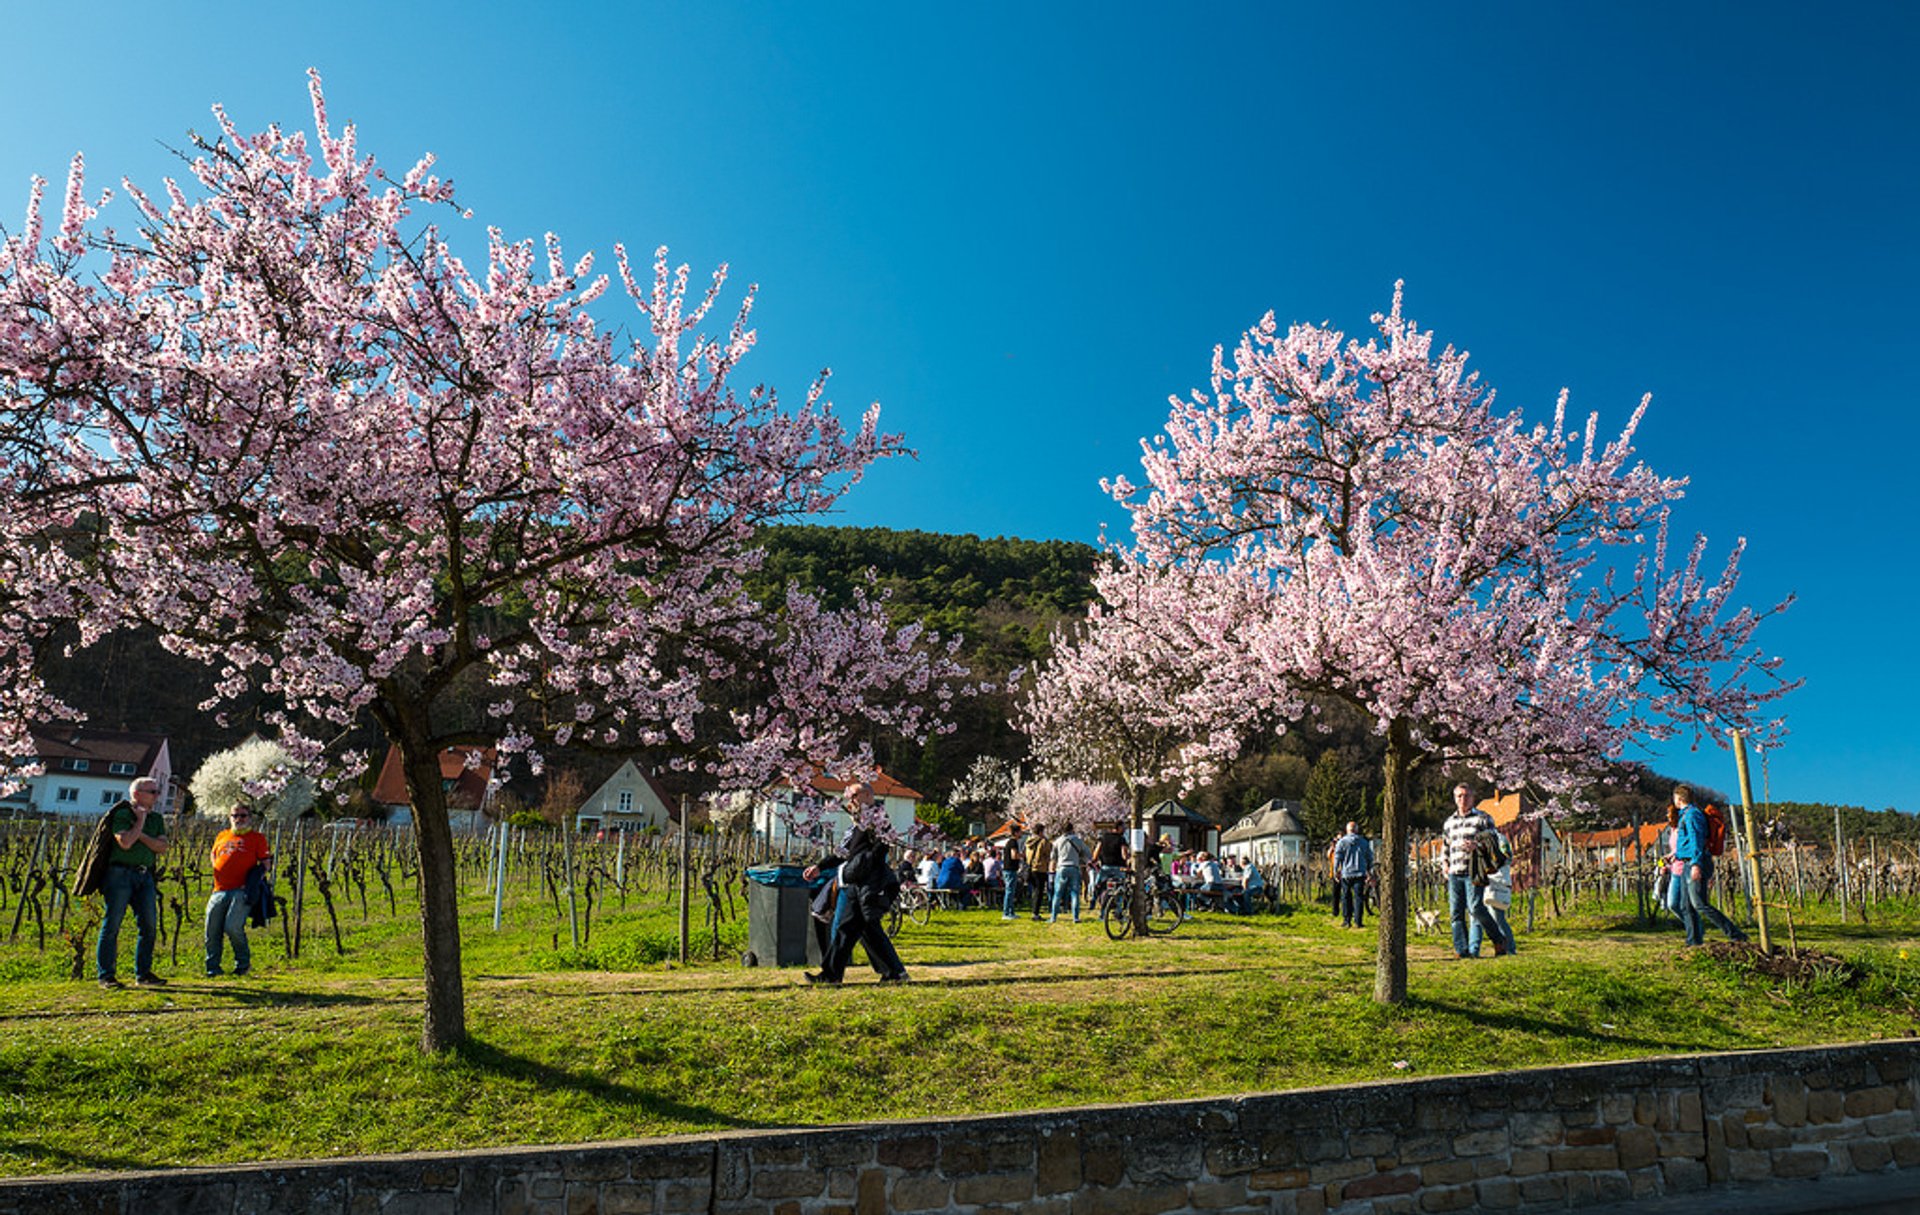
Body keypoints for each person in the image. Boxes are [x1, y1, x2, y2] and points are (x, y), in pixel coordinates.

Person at [802, 784, 908, 984]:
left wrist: (862, 865)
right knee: (848, 928)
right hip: (854, 882)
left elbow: (880, 849)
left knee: (865, 928)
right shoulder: (858, 823)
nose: (849, 800)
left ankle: (894, 972)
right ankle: (832, 974)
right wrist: (820, 867)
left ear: (866, 795)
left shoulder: (877, 818)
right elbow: (843, 853)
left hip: (867, 883)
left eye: (852, 796)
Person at [97, 776, 171, 990]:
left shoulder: (156, 818)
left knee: (149, 925)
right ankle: (106, 976)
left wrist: (141, 834)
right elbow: (126, 842)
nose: (157, 795)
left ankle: (144, 974)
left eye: (157, 791)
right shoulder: (122, 815)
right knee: (112, 924)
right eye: (152, 792)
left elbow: (162, 847)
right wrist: (139, 822)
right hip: (119, 874)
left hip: (145, 875)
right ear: (137, 794)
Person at [1671, 784, 1749, 946]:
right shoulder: (1685, 815)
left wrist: (1696, 864)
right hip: (1686, 862)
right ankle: (1693, 942)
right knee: (1685, 906)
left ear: (1679, 798)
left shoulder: (1692, 815)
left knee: (1699, 904)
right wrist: (1676, 855)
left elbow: (1697, 840)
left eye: (1675, 798)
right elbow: (1687, 842)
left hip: (1696, 862)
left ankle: (1736, 934)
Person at [205, 801, 271, 978]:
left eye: (243, 815)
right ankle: (213, 968)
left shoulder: (257, 838)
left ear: (250, 818)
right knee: (212, 930)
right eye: (235, 815)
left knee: (233, 927)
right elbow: (213, 854)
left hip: (241, 891)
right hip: (218, 890)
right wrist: (217, 868)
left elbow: (266, 863)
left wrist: (254, 881)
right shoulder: (222, 835)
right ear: (229, 817)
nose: (238, 819)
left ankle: (243, 964)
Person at [1443, 784, 1507, 958]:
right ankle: (1461, 950)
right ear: (1454, 798)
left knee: (1476, 908)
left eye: (1466, 796)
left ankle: (1498, 939)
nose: (1463, 799)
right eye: (1459, 796)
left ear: (1473, 798)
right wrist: (1445, 864)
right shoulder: (1449, 822)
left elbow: (1495, 842)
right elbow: (1446, 846)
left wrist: (1477, 845)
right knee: (1455, 913)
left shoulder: (1483, 818)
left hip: (1474, 871)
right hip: (1454, 871)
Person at [1333, 821, 1373, 929]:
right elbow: (1369, 857)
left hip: (1346, 873)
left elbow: (1337, 857)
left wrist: (1336, 870)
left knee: (1346, 897)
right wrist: (1369, 871)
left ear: (1347, 830)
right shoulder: (1364, 842)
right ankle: (1358, 921)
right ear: (1357, 830)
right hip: (1360, 872)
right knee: (1359, 897)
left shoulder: (1341, 842)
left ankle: (1347, 920)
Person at [1049, 824, 1091, 923]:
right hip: (1074, 867)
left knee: (1058, 894)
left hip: (1061, 867)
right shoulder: (1077, 840)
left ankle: (1053, 917)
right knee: (1075, 893)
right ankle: (1075, 917)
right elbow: (1087, 852)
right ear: (1072, 829)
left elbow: (1053, 857)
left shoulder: (1057, 841)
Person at [1091, 824, 1128, 907]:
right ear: (1119, 828)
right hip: (1118, 867)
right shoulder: (1121, 839)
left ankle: (1093, 900)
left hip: (1105, 867)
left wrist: (1094, 860)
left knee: (1098, 885)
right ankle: (1119, 907)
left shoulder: (1104, 837)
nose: (1124, 830)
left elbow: (1097, 850)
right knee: (1121, 888)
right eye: (1123, 828)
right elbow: (1124, 855)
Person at [1026, 829, 1054, 921]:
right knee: (1039, 891)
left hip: (1031, 868)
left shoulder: (1029, 841)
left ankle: (1034, 910)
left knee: (1034, 891)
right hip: (1040, 868)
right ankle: (1036, 913)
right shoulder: (1043, 842)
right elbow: (1049, 852)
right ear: (1041, 832)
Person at [1000, 830, 1025, 920]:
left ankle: (1011, 912)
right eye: (1020, 832)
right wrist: (1023, 856)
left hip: (1009, 869)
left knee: (1011, 891)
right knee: (1009, 891)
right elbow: (1014, 855)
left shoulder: (1010, 842)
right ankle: (1006, 913)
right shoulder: (1013, 842)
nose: (1021, 834)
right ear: (1015, 833)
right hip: (1010, 869)